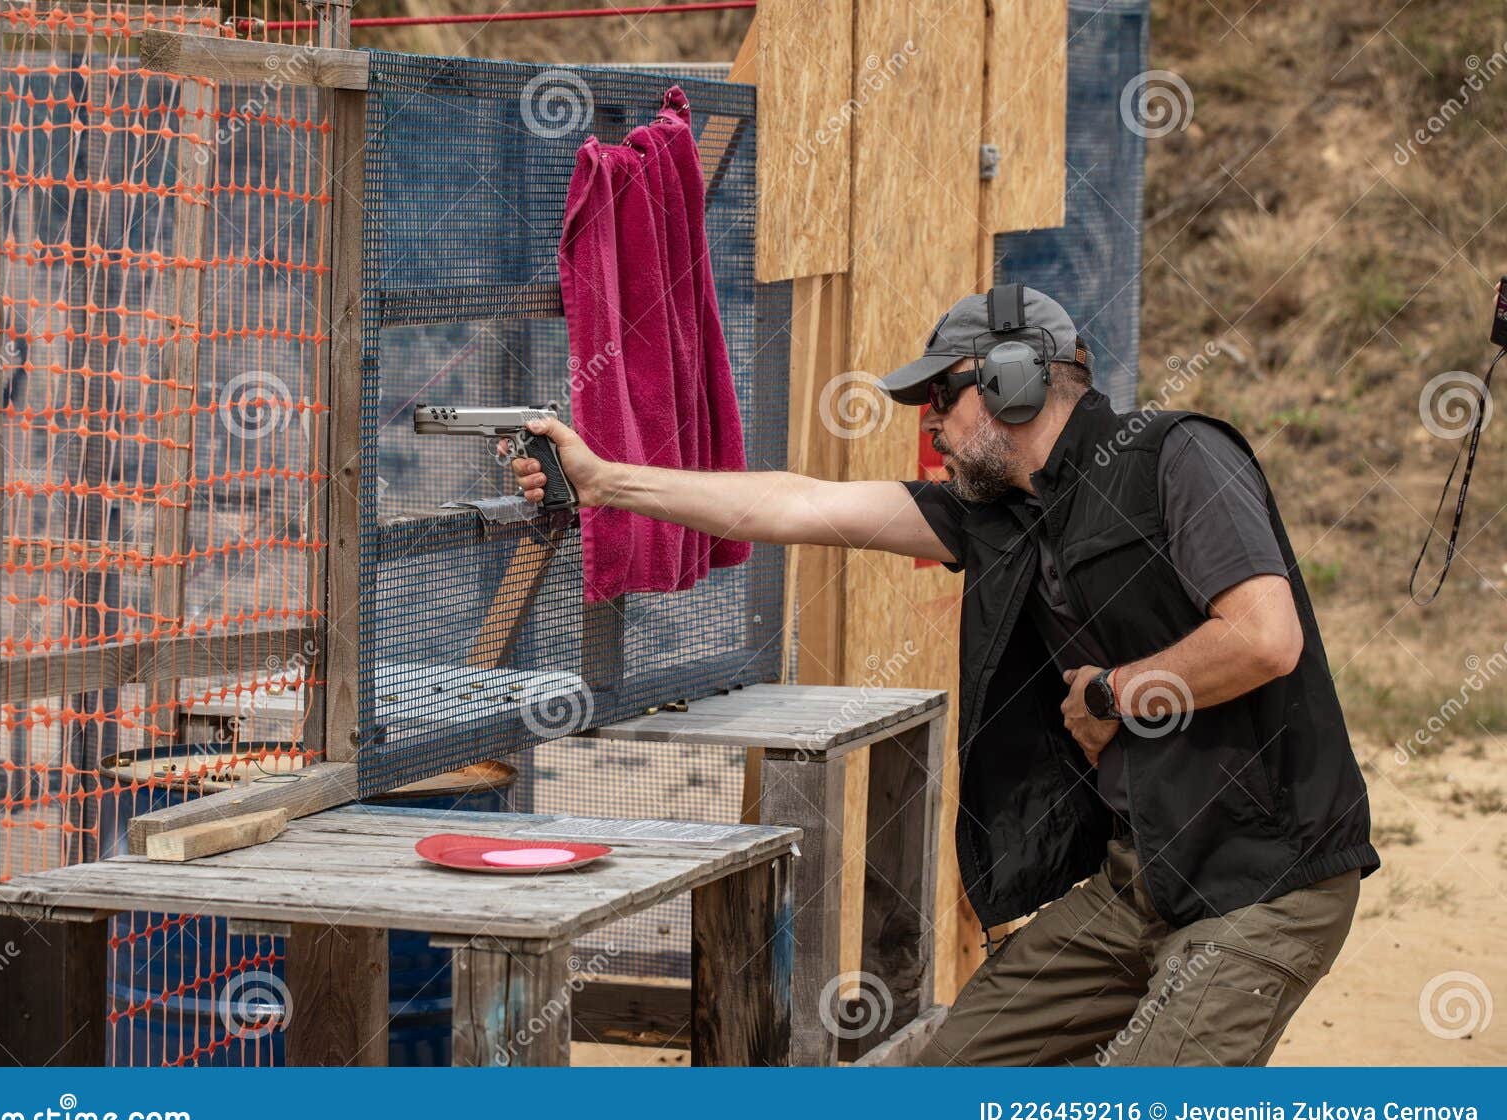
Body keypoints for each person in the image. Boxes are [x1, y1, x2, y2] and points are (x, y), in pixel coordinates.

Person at [505, 283, 1379, 1067]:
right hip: (1143, 878)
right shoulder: (999, 514)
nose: (928, 422)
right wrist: (602, 482)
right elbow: (796, 502)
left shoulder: (1179, 457)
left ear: (1014, 379)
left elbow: (1266, 638)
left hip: (1270, 878)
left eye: (939, 397)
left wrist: (1116, 692)